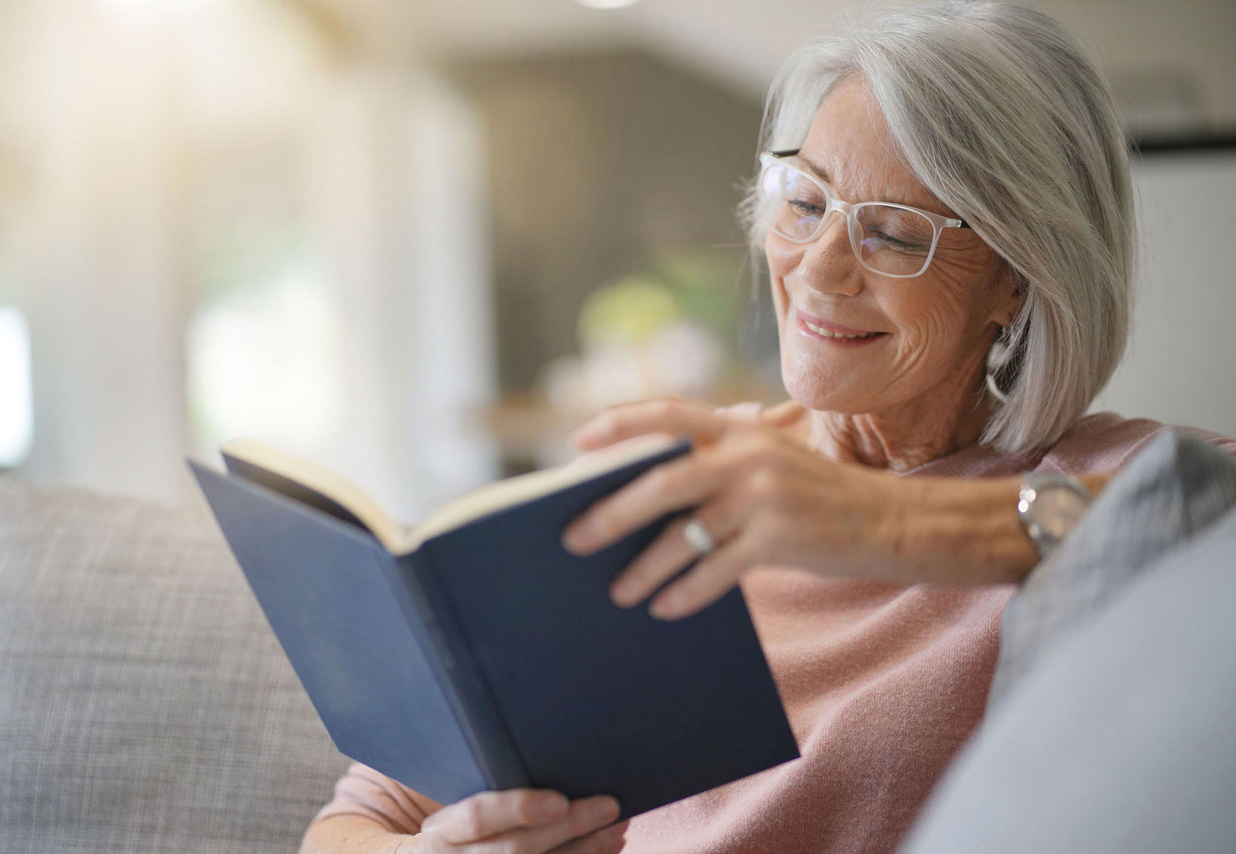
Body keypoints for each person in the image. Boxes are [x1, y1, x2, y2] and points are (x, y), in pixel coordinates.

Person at [299, 3, 1236, 853]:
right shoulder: (687, 477)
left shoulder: (1121, 480)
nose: (821, 267)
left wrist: (887, 523)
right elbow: (359, 819)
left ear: (1020, 280)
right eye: (805, 199)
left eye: (897, 233)